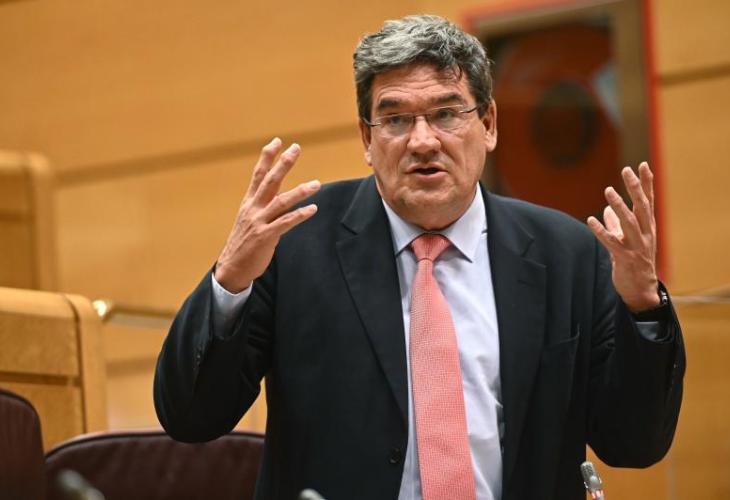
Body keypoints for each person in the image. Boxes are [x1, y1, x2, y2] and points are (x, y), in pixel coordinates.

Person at [154, 15, 684, 500]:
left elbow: (634, 443)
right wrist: (231, 278)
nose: (423, 141)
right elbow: (191, 417)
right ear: (367, 138)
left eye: (446, 113)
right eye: (396, 120)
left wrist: (642, 304)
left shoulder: (565, 253)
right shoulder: (295, 244)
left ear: (489, 124)